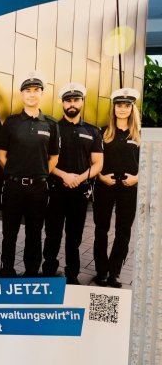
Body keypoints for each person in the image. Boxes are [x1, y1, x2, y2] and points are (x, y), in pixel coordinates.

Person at [0, 71, 60, 278]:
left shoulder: (51, 124)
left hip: (39, 188)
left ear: (42, 94)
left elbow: (54, 158)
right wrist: (15, 173)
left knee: (34, 232)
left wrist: (39, 174)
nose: (32, 94)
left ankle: (31, 271)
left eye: (36, 91)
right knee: (10, 233)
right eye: (28, 91)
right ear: (22, 95)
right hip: (13, 186)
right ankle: (7, 270)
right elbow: (1, 154)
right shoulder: (12, 122)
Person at [42, 83, 103, 285]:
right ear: (63, 103)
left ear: (82, 102)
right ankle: (49, 271)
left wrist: (80, 178)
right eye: (68, 100)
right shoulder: (53, 128)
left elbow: (98, 163)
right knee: (52, 234)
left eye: (76, 100)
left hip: (80, 192)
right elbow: (45, 161)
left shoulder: (92, 131)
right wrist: (64, 176)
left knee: (74, 237)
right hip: (56, 190)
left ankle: (72, 275)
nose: (72, 104)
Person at [92, 88, 141, 288]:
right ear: (113, 108)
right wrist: (101, 177)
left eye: (126, 106)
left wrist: (137, 178)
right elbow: (93, 160)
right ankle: (101, 272)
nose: (122, 109)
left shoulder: (140, 134)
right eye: (119, 105)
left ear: (132, 108)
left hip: (129, 188)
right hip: (105, 187)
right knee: (101, 229)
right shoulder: (102, 132)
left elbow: (152, 163)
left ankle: (115, 272)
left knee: (123, 231)